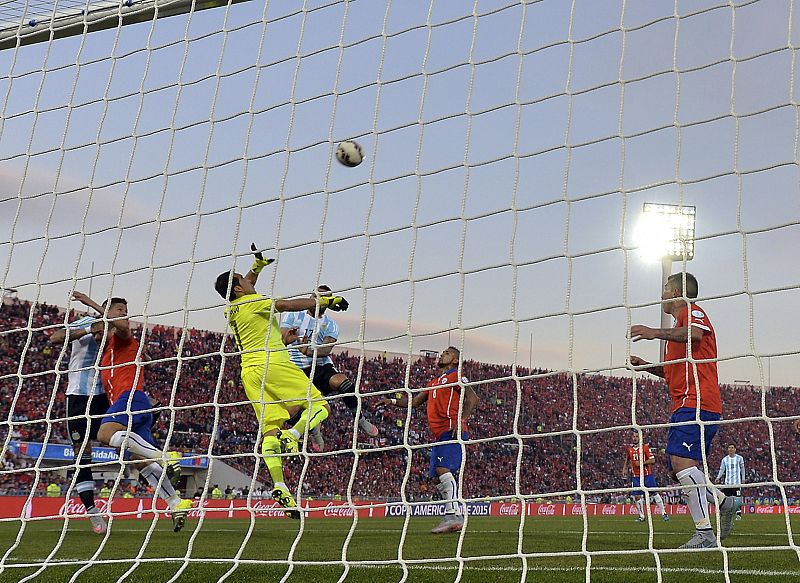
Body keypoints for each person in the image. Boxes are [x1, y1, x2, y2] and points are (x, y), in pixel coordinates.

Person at [214, 244, 347, 518]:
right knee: (320, 405)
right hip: (272, 363)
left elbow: (245, 285)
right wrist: (325, 302)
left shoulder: (232, 310)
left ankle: (279, 486)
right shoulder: (253, 302)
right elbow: (285, 305)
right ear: (238, 289)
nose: (247, 281)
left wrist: (257, 267)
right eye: (242, 279)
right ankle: (294, 436)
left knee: (268, 432)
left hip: (249, 373)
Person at [629, 272, 738, 549]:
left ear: (677, 292)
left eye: (666, 288)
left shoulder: (693, 313)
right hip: (685, 402)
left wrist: (654, 333)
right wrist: (645, 366)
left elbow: (696, 334)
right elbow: (670, 373)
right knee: (677, 464)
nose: (662, 294)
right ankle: (725, 502)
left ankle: (705, 534)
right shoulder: (678, 331)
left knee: (681, 462)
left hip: (698, 401)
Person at [90, 297, 193, 532]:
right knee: (138, 460)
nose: (97, 337)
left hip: (132, 398)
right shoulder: (108, 355)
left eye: (99, 331)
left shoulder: (121, 339)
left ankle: (166, 457)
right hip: (133, 404)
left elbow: (123, 327)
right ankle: (176, 502)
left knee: (105, 433)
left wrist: (95, 305)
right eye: (94, 334)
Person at [378, 346, 479, 534]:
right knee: (435, 478)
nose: (442, 354)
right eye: (443, 352)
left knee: (442, 469)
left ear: (455, 360)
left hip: (452, 429)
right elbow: (414, 402)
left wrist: (461, 420)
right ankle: (452, 515)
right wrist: (391, 401)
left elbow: (473, 399)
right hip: (439, 435)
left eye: (447, 353)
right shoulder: (434, 383)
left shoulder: (455, 376)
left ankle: (453, 515)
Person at [280, 285, 378, 450]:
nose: (317, 301)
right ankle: (313, 430)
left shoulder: (331, 325)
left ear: (329, 303)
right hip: (295, 369)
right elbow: (281, 337)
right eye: (316, 296)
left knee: (343, 382)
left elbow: (326, 350)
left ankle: (360, 419)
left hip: (319, 366)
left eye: (324, 298)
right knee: (290, 412)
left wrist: (308, 351)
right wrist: (287, 338)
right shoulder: (293, 315)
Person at [48, 290, 110, 534]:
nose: (122, 315)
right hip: (77, 397)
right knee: (82, 455)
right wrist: (88, 330)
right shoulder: (84, 322)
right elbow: (55, 337)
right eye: (119, 310)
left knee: (121, 438)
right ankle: (92, 511)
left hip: (104, 396)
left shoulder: (118, 331)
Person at [621, 433, 669, 522]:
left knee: (654, 493)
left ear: (640, 438)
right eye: (633, 436)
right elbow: (627, 459)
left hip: (647, 475)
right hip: (636, 477)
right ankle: (642, 516)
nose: (635, 438)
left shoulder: (645, 447)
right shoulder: (629, 449)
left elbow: (652, 460)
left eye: (636, 437)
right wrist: (624, 469)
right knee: (637, 497)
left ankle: (664, 513)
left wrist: (641, 463)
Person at [716, 444, 745, 521]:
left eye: (732, 448)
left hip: (737, 483)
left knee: (737, 499)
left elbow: (742, 469)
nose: (730, 449)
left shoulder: (739, 458)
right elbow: (722, 470)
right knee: (727, 500)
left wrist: (743, 478)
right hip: (727, 484)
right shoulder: (725, 459)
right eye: (729, 448)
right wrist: (718, 477)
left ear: (735, 449)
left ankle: (738, 514)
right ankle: (727, 515)